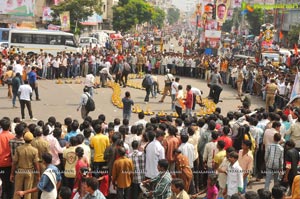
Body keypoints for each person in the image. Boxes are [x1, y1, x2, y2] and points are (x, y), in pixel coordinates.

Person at [10, 131, 40, 199]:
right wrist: (38, 175)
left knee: (17, 190)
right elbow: (36, 164)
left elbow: (14, 162)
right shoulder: (34, 150)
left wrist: (12, 174)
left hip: (20, 171)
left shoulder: (19, 149)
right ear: (31, 139)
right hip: (30, 172)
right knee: (28, 191)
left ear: (24, 138)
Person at [0, 118, 15, 199]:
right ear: (9, 126)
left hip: (1, 165)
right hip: (9, 165)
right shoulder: (12, 136)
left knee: (4, 184)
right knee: (10, 185)